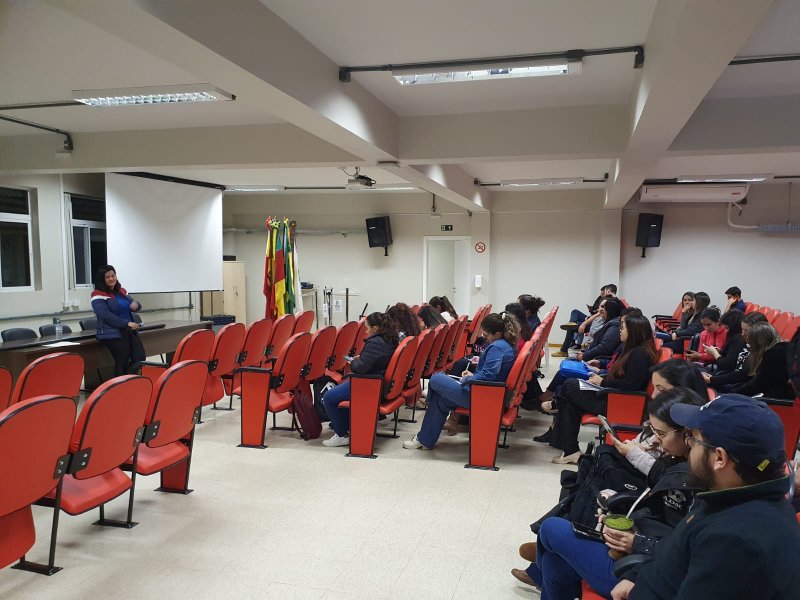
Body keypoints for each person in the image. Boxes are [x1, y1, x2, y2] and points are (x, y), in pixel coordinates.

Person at [513, 387, 703, 598]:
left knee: (550, 528)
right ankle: (544, 567)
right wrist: (626, 521)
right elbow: (659, 518)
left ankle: (543, 565)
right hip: (638, 548)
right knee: (553, 563)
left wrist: (638, 542)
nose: (655, 440)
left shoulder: (694, 483)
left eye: (661, 433)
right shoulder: (675, 464)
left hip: (644, 570)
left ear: (688, 434)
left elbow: (684, 549)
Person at [609, 394, 800, 599]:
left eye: (693, 439)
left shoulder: (736, 542)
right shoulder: (724, 497)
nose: (690, 447)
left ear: (719, 458)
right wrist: (636, 576)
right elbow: (676, 548)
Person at [547, 314, 657, 464]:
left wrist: (603, 381)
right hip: (614, 397)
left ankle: (555, 404)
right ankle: (570, 451)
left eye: (622, 328)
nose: (620, 331)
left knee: (569, 385)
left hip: (619, 403)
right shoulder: (633, 350)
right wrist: (602, 379)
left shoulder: (640, 354)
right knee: (569, 402)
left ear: (633, 331)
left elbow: (631, 386)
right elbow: (622, 378)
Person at [403, 313, 518, 450]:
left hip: (483, 395)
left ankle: (426, 404)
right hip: (487, 393)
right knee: (439, 399)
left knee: (436, 378)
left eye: (486, 335)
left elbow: (489, 376)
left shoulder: (497, 347)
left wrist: (469, 378)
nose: (484, 337)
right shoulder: (506, 345)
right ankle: (424, 440)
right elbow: (491, 374)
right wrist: (473, 375)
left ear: (497, 334)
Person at [613, 359, 708, 475]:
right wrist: (636, 447)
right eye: (653, 388)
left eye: (662, 390)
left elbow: (669, 475)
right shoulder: (662, 418)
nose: (653, 396)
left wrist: (636, 454)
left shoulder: (692, 443)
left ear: (682, 392)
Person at [321, 312, 399, 447]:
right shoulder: (390, 339)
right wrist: (362, 359)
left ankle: (341, 434)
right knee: (339, 394)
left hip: (368, 383)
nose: (366, 331)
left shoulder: (376, 343)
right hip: (377, 381)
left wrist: (353, 362)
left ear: (375, 328)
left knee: (328, 397)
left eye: (367, 328)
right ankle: (346, 426)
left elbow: (360, 368)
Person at [90, 264, 145, 376]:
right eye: (107, 277)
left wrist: (136, 305)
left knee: (140, 358)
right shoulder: (97, 294)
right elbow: (104, 315)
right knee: (122, 362)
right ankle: (121, 384)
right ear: (102, 279)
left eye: (113, 275)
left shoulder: (121, 291)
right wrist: (126, 323)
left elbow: (135, 304)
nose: (111, 279)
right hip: (113, 333)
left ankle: (127, 381)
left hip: (129, 330)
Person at [703, 311, 768, 392]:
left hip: (743, 389)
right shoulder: (751, 345)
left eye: (746, 330)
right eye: (742, 330)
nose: (743, 334)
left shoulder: (741, 342)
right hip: (736, 384)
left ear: (759, 330)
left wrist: (712, 379)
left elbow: (740, 374)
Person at [730, 322, 794, 400]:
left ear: (758, 342)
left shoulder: (773, 354)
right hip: (783, 396)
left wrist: (731, 394)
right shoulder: (783, 348)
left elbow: (759, 384)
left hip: (780, 400)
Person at [554, 286, 616, 358]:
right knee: (575, 312)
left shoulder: (612, 305)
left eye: (604, 293)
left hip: (594, 323)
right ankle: (572, 323)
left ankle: (564, 350)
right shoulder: (601, 301)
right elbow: (597, 312)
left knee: (570, 328)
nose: (602, 295)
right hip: (593, 320)